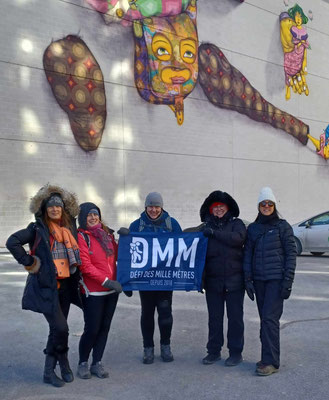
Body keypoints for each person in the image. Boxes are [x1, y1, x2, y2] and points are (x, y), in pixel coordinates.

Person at [6, 184, 81, 387]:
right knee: (62, 328)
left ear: (63, 209)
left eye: (58, 206)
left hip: (66, 286)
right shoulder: (37, 229)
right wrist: (30, 262)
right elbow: (12, 242)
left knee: (57, 330)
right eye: (51, 206)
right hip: (47, 287)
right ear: (45, 209)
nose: (55, 209)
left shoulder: (69, 228)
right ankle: (52, 369)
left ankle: (62, 366)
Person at [119, 192, 182, 364]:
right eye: (150, 206)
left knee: (165, 311)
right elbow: (126, 255)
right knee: (147, 312)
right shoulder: (136, 225)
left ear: (162, 207)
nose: (153, 210)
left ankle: (165, 346)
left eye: (157, 206)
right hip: (144, 278)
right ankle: (148, 348)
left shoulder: (172, 224)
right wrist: (127, 283)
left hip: (165, 278)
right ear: (145, 207)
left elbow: (183, 248)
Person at [243, 187, 297, 376]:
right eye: (263, 204)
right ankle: (267, 356)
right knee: (265, 321)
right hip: (259, 281)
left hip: (276, 280)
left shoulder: (283, 227)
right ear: (258, 206)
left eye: (269, 204)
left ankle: (271, 362)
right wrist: (247, 279)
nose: (266, 206)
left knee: (269, 320)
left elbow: (291, 254)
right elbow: (247, 254)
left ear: (274, 205)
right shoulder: (253, 228)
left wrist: (288, 280)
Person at [197, 190, 247, 367]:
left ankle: (235, 352)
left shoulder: (237, 224)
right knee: (214, 318)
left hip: (234, 281)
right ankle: (213, 351)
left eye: (221, 206)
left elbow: (238, 238)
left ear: (228, 208)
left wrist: (215, 234)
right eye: (215, 207)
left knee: (235, 319)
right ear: (210, 210)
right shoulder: (204, 229)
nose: (218, 209)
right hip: (213, 281)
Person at [77, 202, 122, 379]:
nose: (93, 217)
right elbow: (85, 266)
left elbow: (118, 255)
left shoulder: (107, 235)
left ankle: (97, 362)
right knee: (92, 329)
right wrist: (107, 282)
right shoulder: (82, 236)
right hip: (93, 291)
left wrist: (125, 239)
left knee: (104, 328)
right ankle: (83, 362)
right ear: (82, 218)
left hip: (111, 292)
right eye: (89, 215)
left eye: (95, 214)